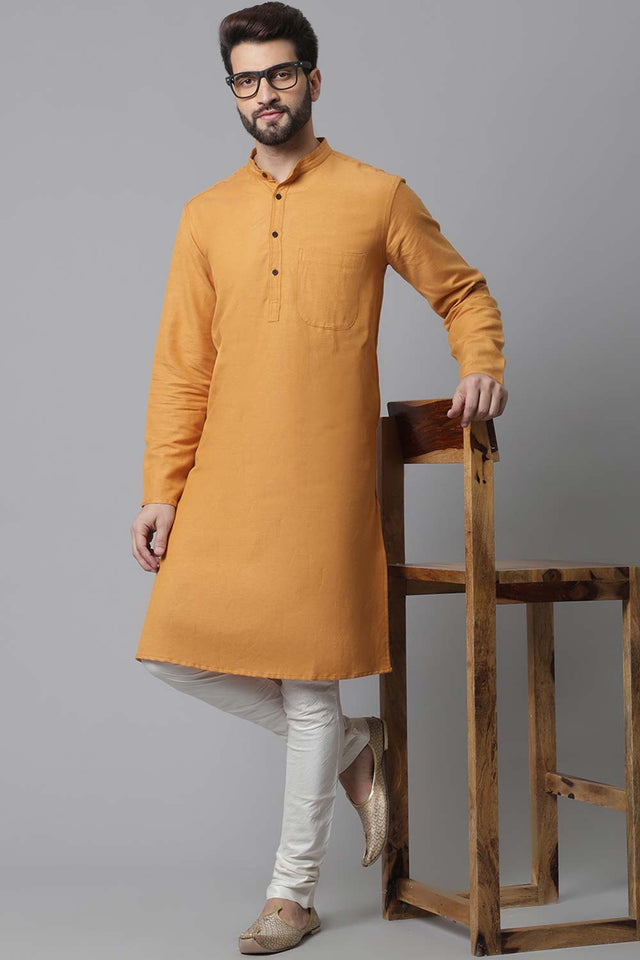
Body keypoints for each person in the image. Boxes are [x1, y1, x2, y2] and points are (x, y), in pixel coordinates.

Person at [130, 2, 508, 953]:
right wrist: (162, 489)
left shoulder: (376, 195)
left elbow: (462, 292)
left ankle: (291, 895)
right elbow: (181, 367)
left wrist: (482, 361)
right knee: (175, 652)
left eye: (281, 74)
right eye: (247, 80)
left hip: (323, 475)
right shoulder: (206, 215)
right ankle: (354, 748)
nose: (265, 93)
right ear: (233, 91)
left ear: (313, 80)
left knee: (307, 685)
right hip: (226, 472)